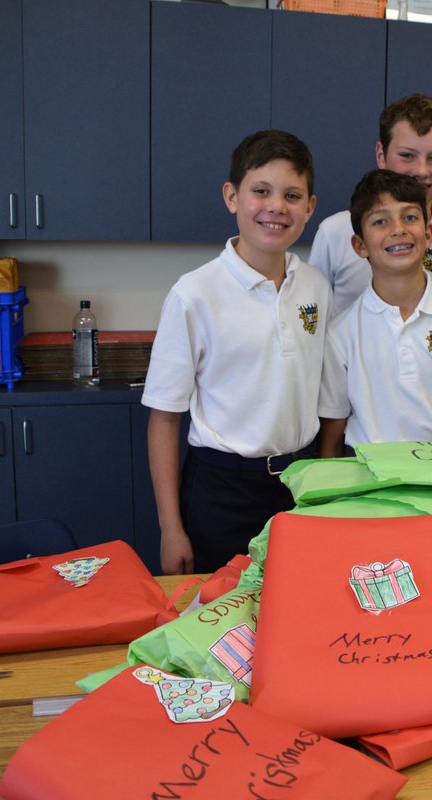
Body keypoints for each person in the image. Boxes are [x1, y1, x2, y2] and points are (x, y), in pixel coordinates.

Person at [141, 130, 330, 574]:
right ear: (232, 197)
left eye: (292, 195)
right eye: (260, 191)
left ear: (310, 208)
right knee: (218, 623)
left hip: (299, 483)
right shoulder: (195, 294)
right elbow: (164, 418)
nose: (276, 207)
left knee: (295, 611)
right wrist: (171, 529)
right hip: (219, 491)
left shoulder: (317, 287)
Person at [318, 170, 432, 457]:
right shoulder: (341, 332)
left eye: (409, 217)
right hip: (368, 489)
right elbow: (331, 437)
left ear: (428, 233)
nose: (398, 229)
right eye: (380, 221)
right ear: (360, 245)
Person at [309, 93, 432, 317]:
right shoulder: (333, 233)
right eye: (407, 155)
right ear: (381, 155)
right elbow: (312, 319)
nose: (421, 171)